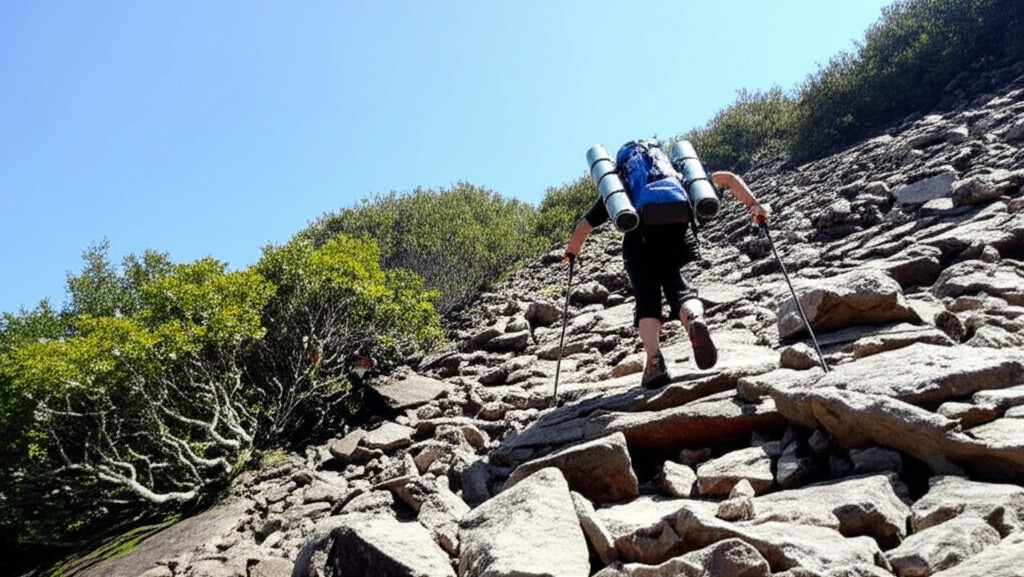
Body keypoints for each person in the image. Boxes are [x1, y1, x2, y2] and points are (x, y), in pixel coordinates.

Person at [563, 148, 770, 389]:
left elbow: (585, 225)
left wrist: (571, 253)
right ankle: (694, 320)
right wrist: (755, 206)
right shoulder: (676, 174)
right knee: (679, 286)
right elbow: (728, 179)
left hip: (639, 242)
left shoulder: (622, 187)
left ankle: (654, 364)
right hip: (678, 230)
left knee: (647, 300)